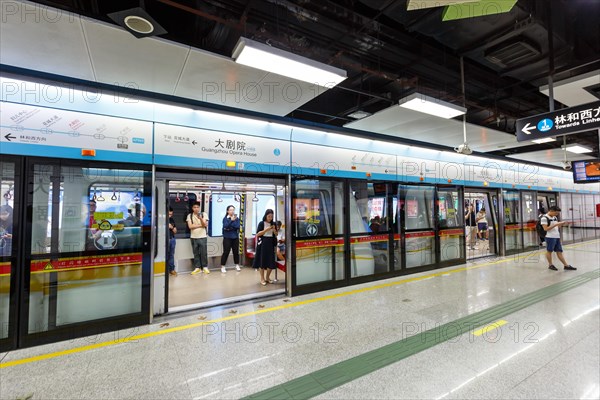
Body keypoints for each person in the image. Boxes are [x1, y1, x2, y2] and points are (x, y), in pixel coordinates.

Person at [541, 206, 576, 271]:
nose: (557, 214)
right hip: (550, 237)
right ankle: (550, 265)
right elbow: (545, 229)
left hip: (556, 236)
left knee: (559, 251)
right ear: (551, 211)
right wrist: (556, 224)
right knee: (549, 251)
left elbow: (557, 227)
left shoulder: (554, 217)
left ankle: (566, 265)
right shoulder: (544, 218)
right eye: (556, 213)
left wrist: (561, 224)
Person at [253, 209, 277, 285]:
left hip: (270, 243)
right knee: (262, 261)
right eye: (269, 216)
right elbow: (258, 234)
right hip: (263, 243)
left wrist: (274, 230)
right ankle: (262, 278)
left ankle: (267, 277)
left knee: (271, 261)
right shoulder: (261, 223)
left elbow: (276, 234)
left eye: (271, 216)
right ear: (265, 215)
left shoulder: (273, 224)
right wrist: (266, 229)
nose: (270, 218)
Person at [187, 202, 210, 275]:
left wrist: (200, 219)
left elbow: (205, 225)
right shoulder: (189, 216)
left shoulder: (203, 214)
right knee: (195, 252)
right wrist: (201, 225)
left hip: (202, 236)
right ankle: (197, 267)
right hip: (193, 237)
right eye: (194, 207)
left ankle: (205, 267)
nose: (196, 209)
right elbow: (190, 227)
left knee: (203, 253)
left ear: (199, 208)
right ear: (192, 208)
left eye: (197, 207)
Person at [220, 205, 241, 273]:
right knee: (226, 252)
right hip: (227, 237)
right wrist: (231, 221)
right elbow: (225, 226)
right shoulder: (225, 218)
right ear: (227, 211)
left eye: (233, 210)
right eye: (230, 210)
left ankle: (237, 265)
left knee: (236, 252)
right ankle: (223, 266)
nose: (232, 211)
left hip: (235, 237)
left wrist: (230, 227)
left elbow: (237, 226)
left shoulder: (237, 218)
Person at [167, 207, 177, 276]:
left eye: (171, 214)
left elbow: (175, 231)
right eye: (169, 214)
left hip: (172, 238)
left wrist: (172, 227)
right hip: (165, 239)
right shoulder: (160, 220)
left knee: (171, 255)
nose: (170, 216)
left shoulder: (172, 220)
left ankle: (172, 269)